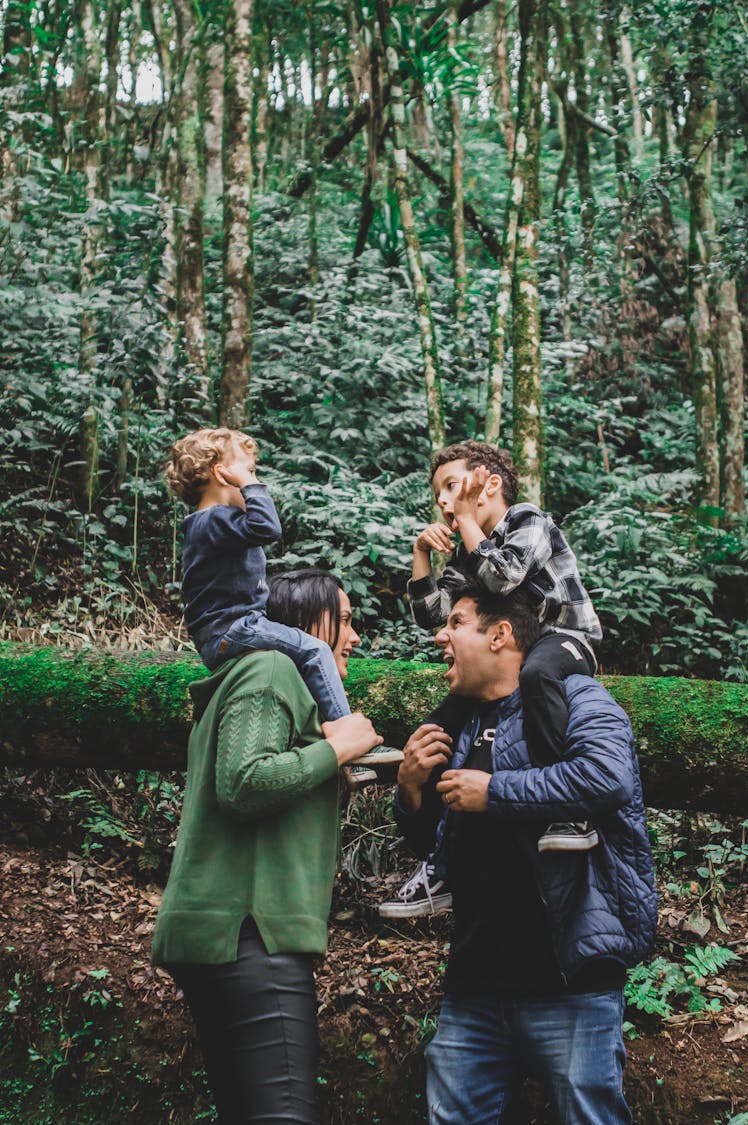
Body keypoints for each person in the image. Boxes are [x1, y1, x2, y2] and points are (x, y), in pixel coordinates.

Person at [394, 583, 657, 1125]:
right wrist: (411, 788)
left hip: (570, 980)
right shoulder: (458, 723)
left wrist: (494, 793)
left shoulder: (579, 699)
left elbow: (606, 778)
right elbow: (436, 844)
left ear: (500, 635)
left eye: (458, 622)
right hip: (474, 981)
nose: (442, 635)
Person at [151, 568, 382, 1125]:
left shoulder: (258, 677)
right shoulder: (273, 668)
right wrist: (338, 750)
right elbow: (244, 782)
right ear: (303, 624)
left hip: (230, 937)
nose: (353, 637)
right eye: (344, 621)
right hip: (250, 936)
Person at [379, 440, 603, 918]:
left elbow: (503, 579)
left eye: (453, 487)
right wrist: (422, 552)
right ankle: (439, 867)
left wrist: (463, 520)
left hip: (565, 640)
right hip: (513, 656)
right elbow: (432, 613)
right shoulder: (467, 551)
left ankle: (570, 811)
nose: (443, 501)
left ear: (491, 485)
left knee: (541, 673)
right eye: (438, 493)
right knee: (442, 723)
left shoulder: (528, 521)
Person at [165, 428, 389, 783]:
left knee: (301, 655)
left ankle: (336, 749)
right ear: (222, 474)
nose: (256, 481)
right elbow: (268, 527)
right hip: (233, 629)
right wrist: (249, 486)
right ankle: (350, 740)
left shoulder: (216, 525)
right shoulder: (212, 521)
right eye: (250, 471)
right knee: (316, 649)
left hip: (231, 630)